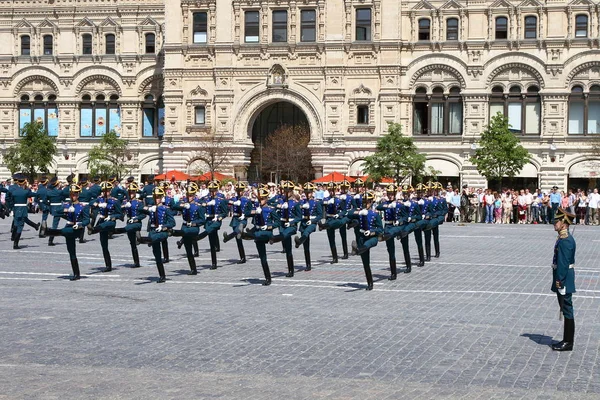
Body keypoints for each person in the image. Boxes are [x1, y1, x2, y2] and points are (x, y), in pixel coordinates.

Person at [40, 184, 91, 280]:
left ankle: (47, 232)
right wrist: (65, 210)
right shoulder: (67, 205)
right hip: (69, 226)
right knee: (71, 252)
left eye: (75, 194)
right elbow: (56, 212)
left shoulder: (83, 206)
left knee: (64, 231)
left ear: (78, 194)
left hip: (76, 229)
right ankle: (76, 274)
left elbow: (87, 220)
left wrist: (80, 224)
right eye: (71, 194)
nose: (73, 196)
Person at [550, 207, 577, 352]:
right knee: (565, 308)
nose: (555, 223)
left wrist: (559, 280)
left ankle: (568, 341)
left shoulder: (566, 241)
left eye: (557, 221)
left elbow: (563, 263)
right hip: (563, 277)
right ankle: (566, 339)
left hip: (564, 279)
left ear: (564, 224)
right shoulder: (562, 237)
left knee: (567, 309)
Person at [242, 187, 280, 286]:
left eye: (262, 199)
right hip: (258, 233)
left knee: (256, 235)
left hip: (266, 233)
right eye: (259, 199)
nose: (261, 201)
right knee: (263, 258)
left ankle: (246, 235)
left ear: (266, 199)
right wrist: (255, 212)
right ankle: (268, 278)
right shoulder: (257, 209)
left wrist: (267, 226)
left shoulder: (271, 210)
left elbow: (277, 222)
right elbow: (245, 213)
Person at [137, 187, 176, 283]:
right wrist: (148, 208)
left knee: (154, 238)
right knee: (157, 255)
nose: (156, 199)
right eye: (155, 197)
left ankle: (141, 240)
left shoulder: (165, 209)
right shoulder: (152, 208)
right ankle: (162, 275)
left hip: (162, 232)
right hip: (154, 231)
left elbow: (172, 223)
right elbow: (140, 208)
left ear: (162, 198)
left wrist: (163, 227)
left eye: (158, 197)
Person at [87, 181, 124, 272]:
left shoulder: (115, 201)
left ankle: (93, 229)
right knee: (104, 245)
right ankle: (108, 265)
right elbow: (90, 203)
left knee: (103, 225)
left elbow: (121, 215)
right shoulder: (100, 199)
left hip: (110, 222)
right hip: (102, 221)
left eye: (107, 191)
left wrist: (112, 217)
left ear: (110, 191)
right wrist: (97, 204)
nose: (105, 193)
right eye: (103, 191)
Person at [350, 191, 382, 290]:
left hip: (372, 237)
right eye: (363, 202)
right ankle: (370, 282)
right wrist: (358, 212)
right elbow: (349, 214)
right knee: (365, 262)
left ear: (371, 202)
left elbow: (380, 229)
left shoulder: (375, 214)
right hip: (361, 237)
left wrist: (372, 232)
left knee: (367, 245)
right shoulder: (360, 213)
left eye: (367, 202)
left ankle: (357, 250)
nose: (365, 204)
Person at [269, 181, 301, 278]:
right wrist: (278, 205)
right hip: (283, 224)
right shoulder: (281, 200)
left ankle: (273, 239)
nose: (286, 193)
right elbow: (269, 202)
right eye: (284, 191)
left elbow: (299, 217)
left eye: (288, 191)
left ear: (291, 191)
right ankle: (290, 269)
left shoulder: (295, 203)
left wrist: (291, 222)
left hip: (291, 226)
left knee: (285, 235)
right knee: (288, 249)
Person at [0, 174, 40, 249]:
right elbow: (35, 194)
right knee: (20, 227)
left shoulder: (14, 191)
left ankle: (14, 237)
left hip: (15, 208)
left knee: (16, 223)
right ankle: (15, 244)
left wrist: (12, 205)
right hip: (22, 209)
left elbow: (8, 198)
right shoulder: (25, 192)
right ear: (24, 182)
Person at [171, 183, 203, 275]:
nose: (189, 197)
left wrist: (194, 223)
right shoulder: (185, 204)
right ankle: (193, 269)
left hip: (193, 228)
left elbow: (202, 220)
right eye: (188, 195)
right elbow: (174, 206)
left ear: (194, 196)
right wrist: (183, 205)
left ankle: (172, 232)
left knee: (184, 232)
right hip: (185, 226)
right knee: (188, 250)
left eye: (191, 195)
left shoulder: (198, 206)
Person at [196, 180, 228, 269]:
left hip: (216, 220)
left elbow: (225, 212)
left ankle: (199, 237)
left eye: (213, 190)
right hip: (209, 220)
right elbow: (198, 203)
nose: (212, 192)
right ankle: (214, 262)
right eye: (210, 190)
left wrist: (219, 217)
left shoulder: (221, 199)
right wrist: (203, 204)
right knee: (211, 242)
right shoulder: (206, 198)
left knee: (210, 231)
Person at [113, 182, 145, 268]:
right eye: (130, 192)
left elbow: (143, 214)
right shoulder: (126, 202)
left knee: (128, 229)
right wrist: (123, 207)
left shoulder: (139, 203)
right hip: (129, 222)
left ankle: (117, 231)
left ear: (135, 192)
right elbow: (119, 210)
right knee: (132, 243)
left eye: (133, 192)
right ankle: (136, 262)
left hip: (136, 223)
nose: (131, 194)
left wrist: (136, 218)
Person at [222, 181, 253, 264]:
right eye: (238, 191)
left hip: (242, 219)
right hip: (235, 219)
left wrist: (245, 215)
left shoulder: (247, 200)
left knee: (238, 231)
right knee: (238, 238)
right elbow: (224, 201)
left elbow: (252, 212)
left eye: (241, 190)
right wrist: (233, 202)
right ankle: (242, 258)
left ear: (243, 191)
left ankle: (228, 237)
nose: (239, 192)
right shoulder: (234, 198)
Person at [294, 182, 322, 272]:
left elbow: (320, 215)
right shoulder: (301, 202)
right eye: (306, 192)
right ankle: (308, 264)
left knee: (306, 233)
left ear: (312, 192)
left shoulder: (316, 203)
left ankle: (299, 241)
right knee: (306, 246)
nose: (307, 194)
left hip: (312, 223)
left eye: (309, 192)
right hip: (303, 222)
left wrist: (313, 221)